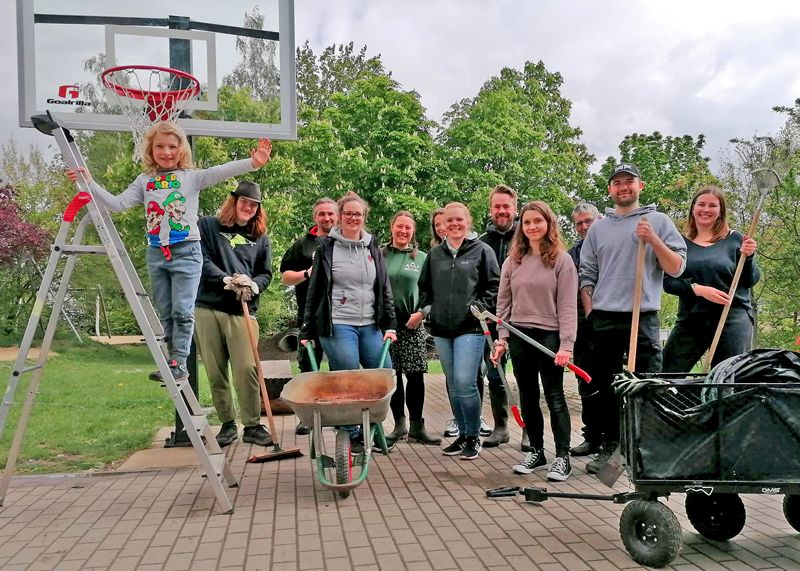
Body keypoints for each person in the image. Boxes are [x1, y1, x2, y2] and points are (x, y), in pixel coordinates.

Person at [67, 121, 272, 381]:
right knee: (165, 310)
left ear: (181, 149)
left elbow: (221, 171)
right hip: (157, 252)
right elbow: (118, 204)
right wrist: (90, 183)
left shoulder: (191, 177)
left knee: (182, 311)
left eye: (172, 147)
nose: (166, 152)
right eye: (160, 147)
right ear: (150, 150)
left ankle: (179, 364)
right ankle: (172, 360)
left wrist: (252, 163)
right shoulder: (145, 181)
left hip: (186, 252)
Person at [579, 162, 686, 474]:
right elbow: (587, 273)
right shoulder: (598, 228)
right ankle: (613, 451)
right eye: (617, 183)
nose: (623, 187)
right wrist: (591, 309)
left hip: (643, 316)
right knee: (607, 388)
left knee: (647, 386)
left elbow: (677, 268)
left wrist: (653, 239)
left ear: (641, 185)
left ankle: (644, 450)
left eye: (629, 181)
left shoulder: (658, 221)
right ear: (610, 189)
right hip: (605, 318)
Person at [299, 191, 397, 453]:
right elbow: (315, 290)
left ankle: (373, 426)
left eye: (358, 214)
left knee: (383, 374)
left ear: (364, 217)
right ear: (340, 216)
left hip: (370, 325)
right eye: (349, 213)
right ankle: (351, 433)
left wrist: (390, 325)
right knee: (348, 377)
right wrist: (306, 330)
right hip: (338, 324)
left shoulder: (372, 247)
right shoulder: (326, 248)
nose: (354, 218)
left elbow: (384, 288)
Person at [491, 201, 577, 481]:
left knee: (554, 397)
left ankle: (562, 456)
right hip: (520, 335)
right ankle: (537, 451)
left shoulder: (562, 260)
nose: (532, 227)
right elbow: (503, 303)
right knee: (528, 397)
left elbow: (567, 306)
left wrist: (566, 345)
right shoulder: (513, 260)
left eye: (537, 221)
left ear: (548, 224)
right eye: (527, 222)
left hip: (549, 338)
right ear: (521, 227)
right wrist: (502, 339)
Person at [194, 181, 273, 447]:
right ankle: (227, 424)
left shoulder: (260, 238)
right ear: (234, 201)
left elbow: (266, 273)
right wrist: (225, 279)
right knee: (216, 371)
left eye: (253, 205)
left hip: (242, 310)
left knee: (247, 369)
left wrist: (252, 284)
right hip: (208, 306)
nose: (248, 208)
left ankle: (252, 425)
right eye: (244, 202)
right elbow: (200, 259)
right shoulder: (208, 226)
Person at [419, 202, 500, 461]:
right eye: (449, 220)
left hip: (471, 328)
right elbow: (424, 287)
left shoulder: (482, 251)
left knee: (466, 382)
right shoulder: (435, 254)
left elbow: (494, 285)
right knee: (453, 385)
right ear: (443, 223)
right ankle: (463, 435)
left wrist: (479, 307)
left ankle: (474, 436)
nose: (454, 224)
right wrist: (428, 308)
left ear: (468, 221)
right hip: (442, 329)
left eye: (459, 219)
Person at [662, 186, 760, 372]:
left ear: (720, 211)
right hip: (692, 318)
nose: (706, 210)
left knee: (725, 378)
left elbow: (750, 280)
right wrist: (697, 289)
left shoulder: (735, 239)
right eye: (702, 204)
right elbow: (668, 282)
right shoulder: (679, 243)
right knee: (667, 371)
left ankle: (719, 401)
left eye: (712, 206)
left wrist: (749, 257)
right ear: (693, 208)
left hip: (732, 317)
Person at [279, 197, 338, 434]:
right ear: (315, 217)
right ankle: (308, 417)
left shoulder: (345, 242)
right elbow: (284, 277)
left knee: (340, 369)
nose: (327, 218)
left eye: (331, 214)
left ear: (338, 216)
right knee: (308, 369)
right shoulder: (301, 245)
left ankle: (338, 415)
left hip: (339, 318)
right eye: (322, 214)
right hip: (309, 317)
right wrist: (306, 273)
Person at [383, 211, 441, 446]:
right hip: (387, 325)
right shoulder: (379, 255)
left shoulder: (422, 258)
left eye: (408, 227)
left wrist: (422, 314)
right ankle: (399, 425)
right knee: (392, 376)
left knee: (415, 376)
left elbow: (433, 291)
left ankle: (418, 427)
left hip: (413, 323)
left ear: (413, 231)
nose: (403, 231)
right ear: (392, 227)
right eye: (400, 226)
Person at [476, 184, 517, 448]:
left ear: (515, 208)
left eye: (506, 206)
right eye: (497, 207)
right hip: (490, 320)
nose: (501, 211)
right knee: (494, 374)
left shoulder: (526, 238)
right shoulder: (480, 243)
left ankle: (530, 430)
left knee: (526, 376)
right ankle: (501, 427)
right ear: (491, 210)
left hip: (522, 318)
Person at [567, 203, 603, 457]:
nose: (584, 226)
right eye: (579, 223)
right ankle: (592, 436)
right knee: (586, 383)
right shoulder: (571, 255)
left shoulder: (609, 246)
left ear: (599, 219)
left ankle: (615, 439)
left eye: (588, 220)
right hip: (581, 326)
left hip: (611, 322)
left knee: (611, 383)